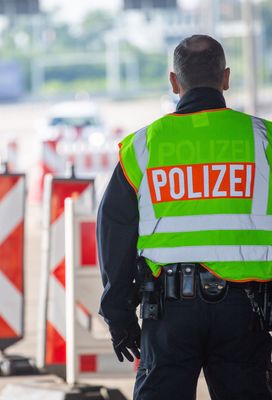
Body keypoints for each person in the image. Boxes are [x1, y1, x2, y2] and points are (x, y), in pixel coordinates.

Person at [97, 34, 272, 400]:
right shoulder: (264, 141)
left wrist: (119, 314)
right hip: (248, 312)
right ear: (226, 78)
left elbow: (115, 232)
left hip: (169, 312)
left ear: (174, 82)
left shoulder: (143, 146)